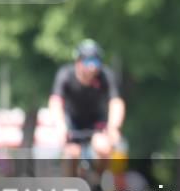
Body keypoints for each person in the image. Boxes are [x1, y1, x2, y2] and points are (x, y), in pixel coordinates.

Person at [48, 39, 125, 176]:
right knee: (72, 154)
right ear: (78, 62)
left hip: (96, 121)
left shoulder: (105, 75)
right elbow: (56, 101)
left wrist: (114, 127)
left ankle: (97, 179)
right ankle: (71, 185)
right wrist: (60, 126)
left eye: (96, 62)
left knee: (104, 149)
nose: (92, 67)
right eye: (88, 62)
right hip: (72, 121)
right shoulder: (65, 74)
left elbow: (116, 102)